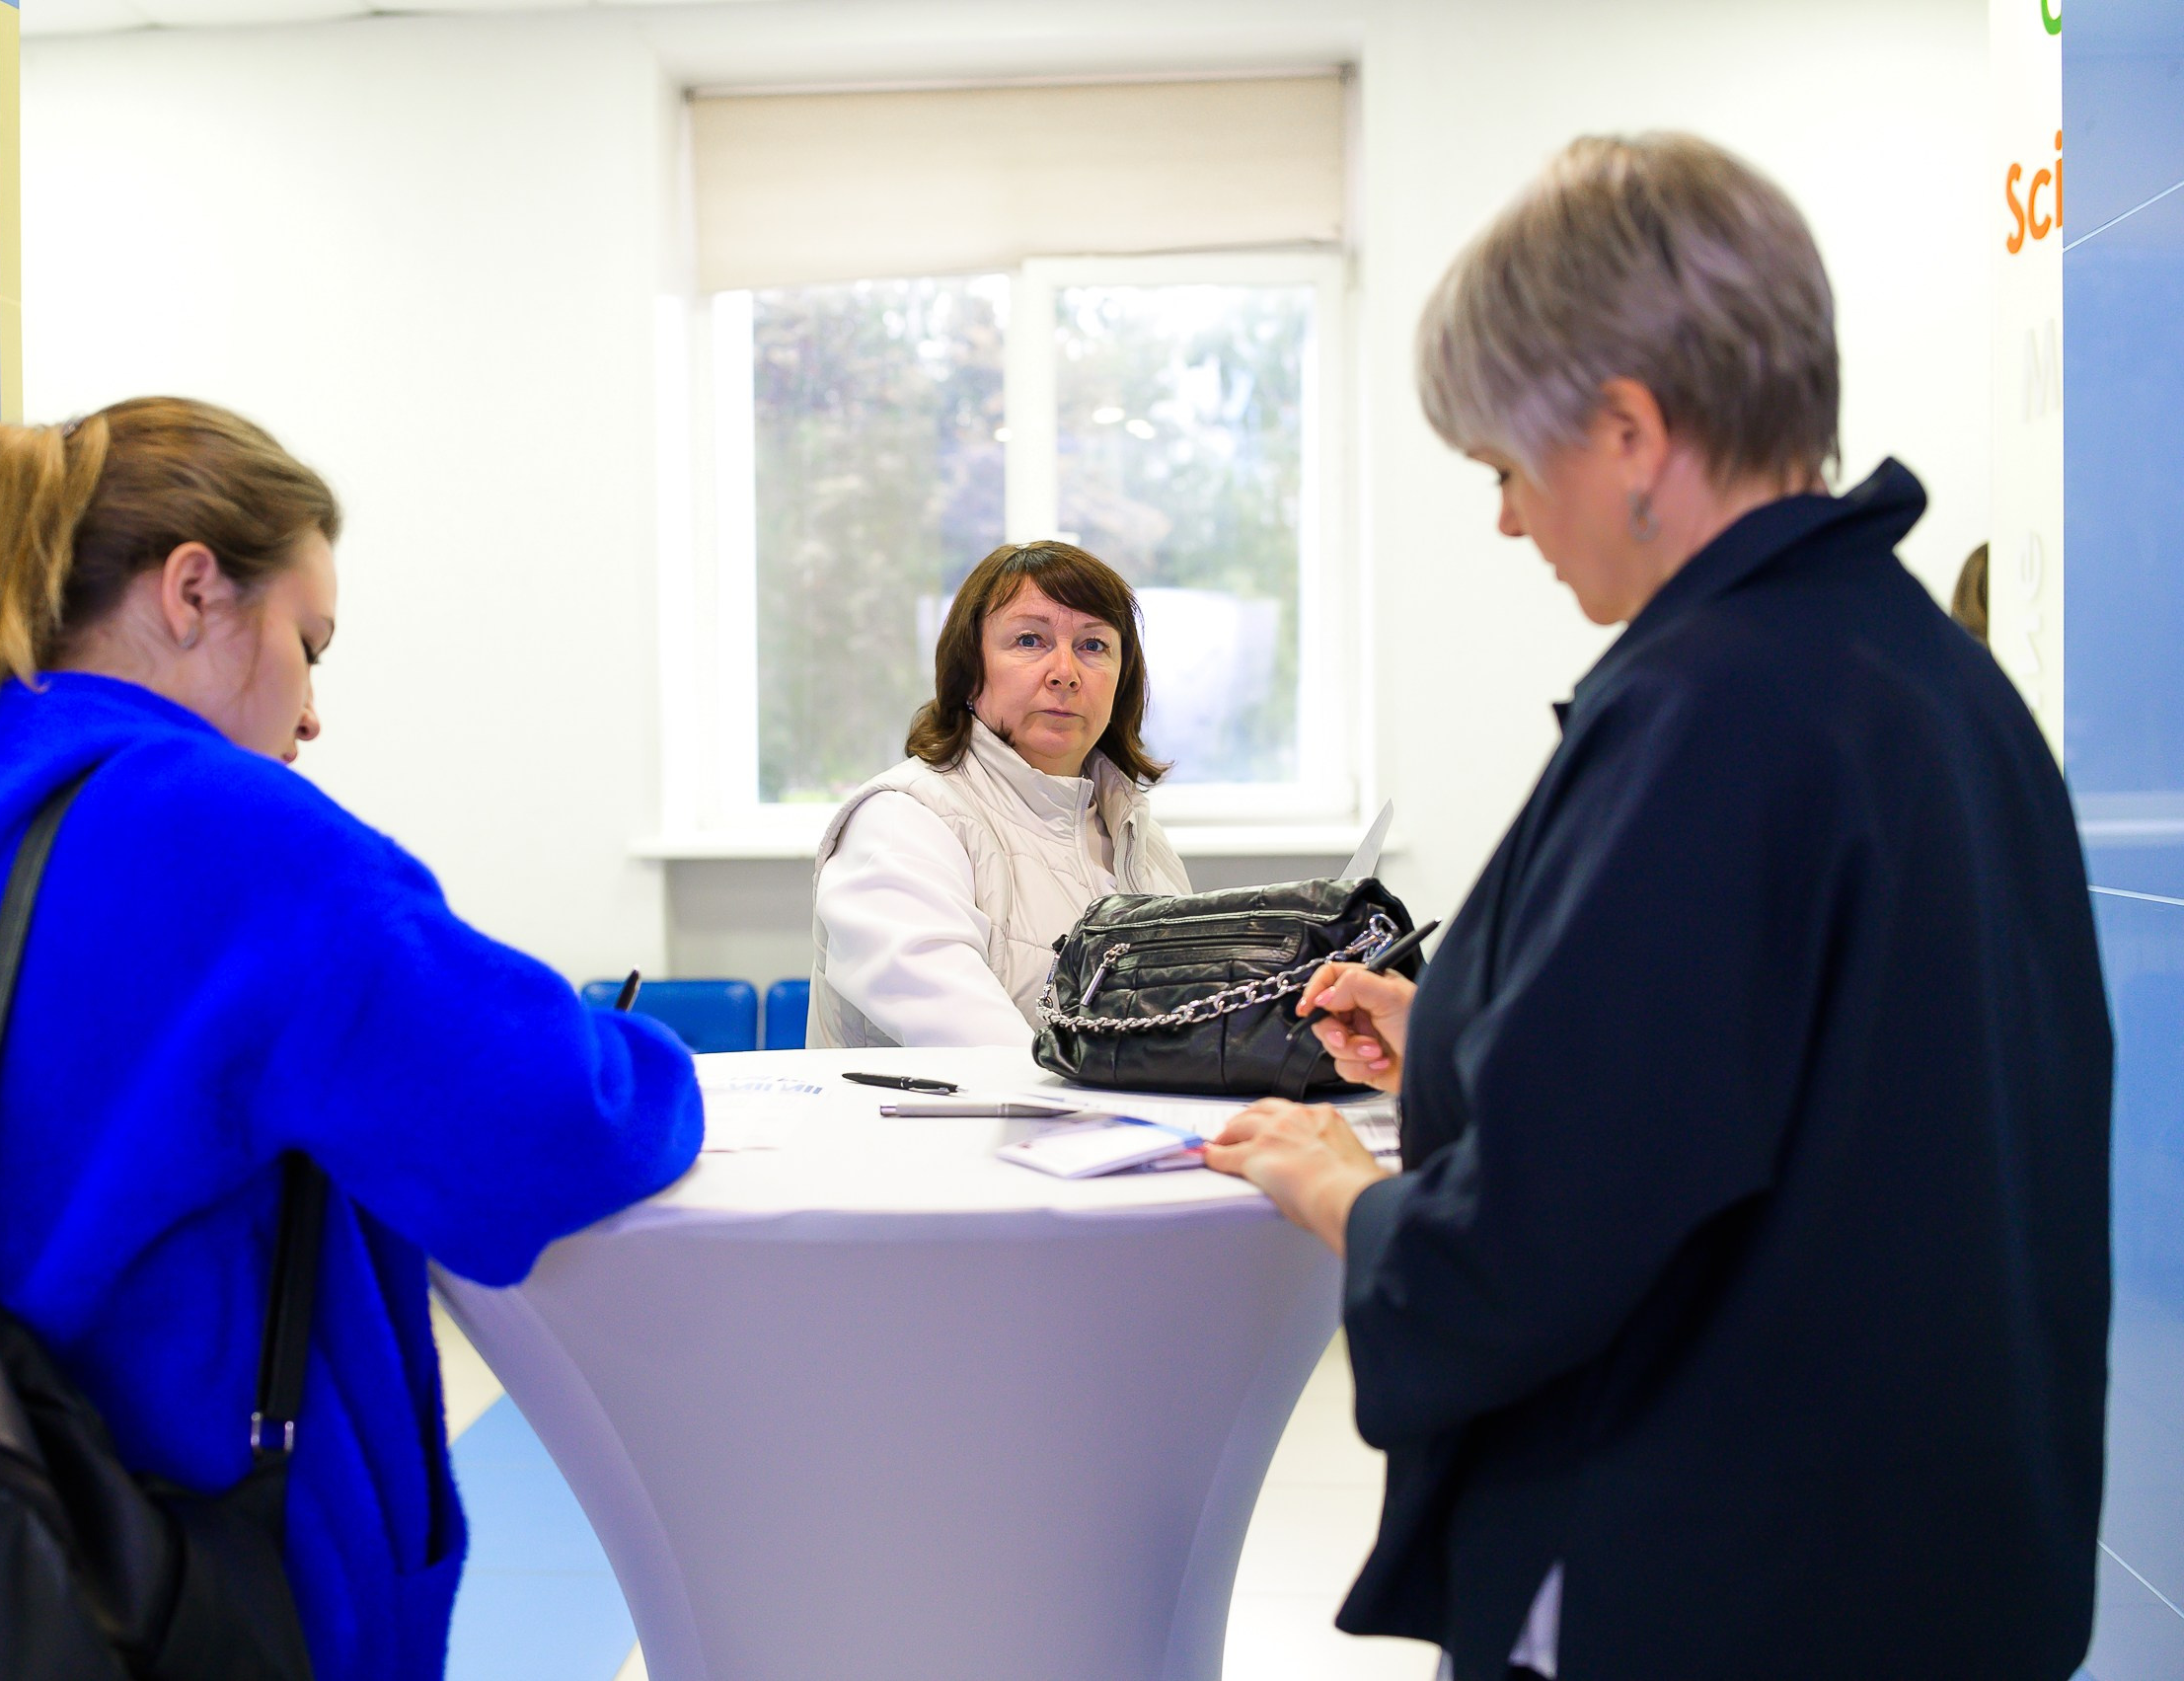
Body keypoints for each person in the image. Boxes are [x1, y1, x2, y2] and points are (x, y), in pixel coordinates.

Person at [1206, 135, 2110, 1681]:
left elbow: (1529, 1253)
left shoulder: (1714, 710)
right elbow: (1825, 1080)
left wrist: (1340, 1189)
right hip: (1926, 1567)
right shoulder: (1926, 680)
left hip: (1723, 1578)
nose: (1509, 521)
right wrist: (1470, 1034)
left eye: (1506, 468)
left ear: (1628, 432)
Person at [0, 399, 704, 1681]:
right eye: (309, 642)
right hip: (175, 1587)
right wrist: (657, 1058)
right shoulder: (224, 827)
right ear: (194, 590)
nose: (312, 714)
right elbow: (550, 1122)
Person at [808, 540, 1192, 1048]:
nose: (1065, 673)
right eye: (1030, 640)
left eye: (1093, 645)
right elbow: (977, 1047)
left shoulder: (1139, 836)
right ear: (970, 671)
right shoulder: (902, 821)